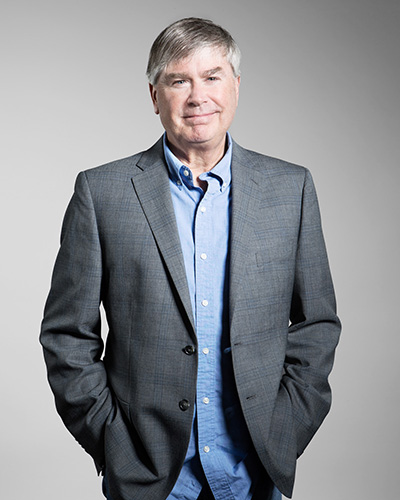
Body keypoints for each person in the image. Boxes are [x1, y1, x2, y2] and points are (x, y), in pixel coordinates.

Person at [40, 17, 341, 500]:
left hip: (254, 472)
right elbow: (66, 336)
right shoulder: (102, 193)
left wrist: (285, 429)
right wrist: (115, 445)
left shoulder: (291, 189)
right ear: (155, 96)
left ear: (236, 86)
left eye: (212, 77)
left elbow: (317, 324)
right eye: (179, 81)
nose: (198, 97)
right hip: (149, 477)